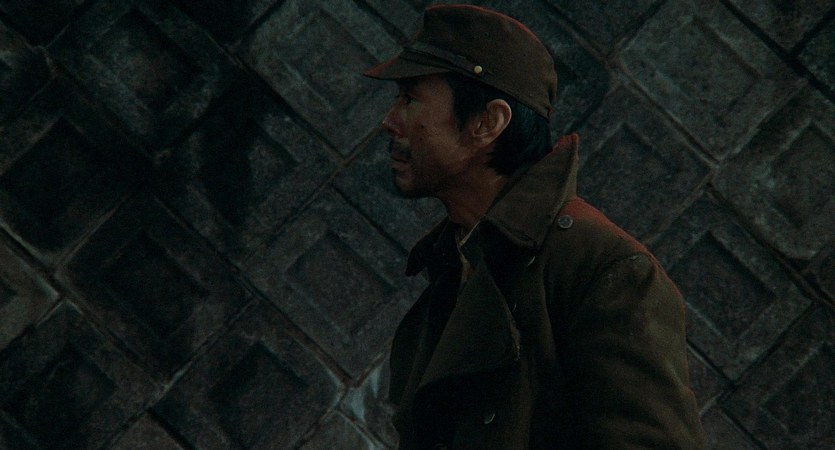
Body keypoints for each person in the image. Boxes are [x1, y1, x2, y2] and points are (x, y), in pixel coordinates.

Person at [363, 4, 705, 449]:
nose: (389, 122)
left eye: (410, 99)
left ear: (488, 122)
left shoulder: (602, 268)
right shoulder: (457, 258)